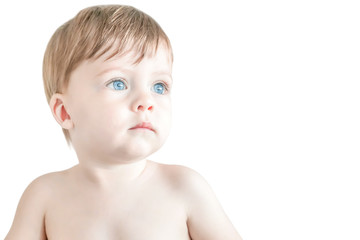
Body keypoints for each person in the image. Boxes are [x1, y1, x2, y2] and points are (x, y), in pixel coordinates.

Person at [5, 5, 242, 240]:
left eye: (159, 86)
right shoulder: (45, 196)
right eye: (118, 83)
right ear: (65, 111)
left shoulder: (183, 188)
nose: (146, 101)